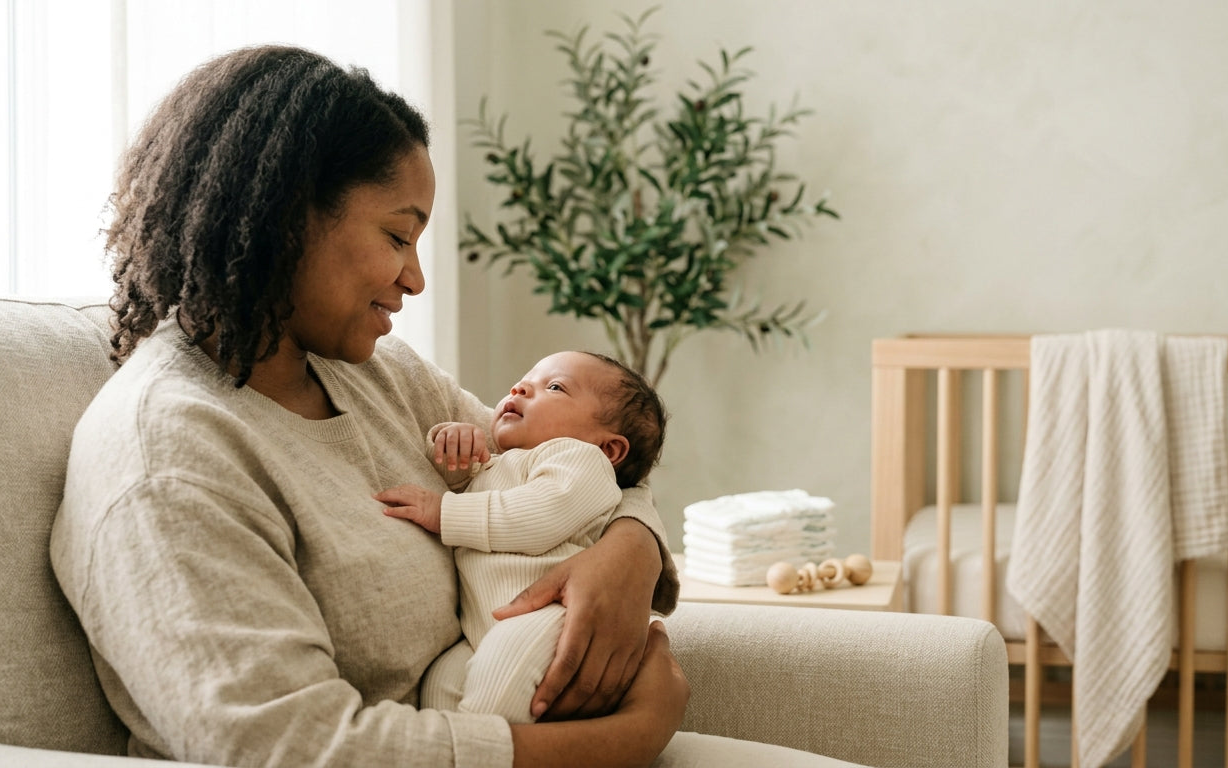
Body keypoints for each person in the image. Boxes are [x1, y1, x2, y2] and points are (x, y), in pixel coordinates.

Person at [48, 44, 866, 768]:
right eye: (397, 237)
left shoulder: (381, 376)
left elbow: (578, 457)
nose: (414, 279)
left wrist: (631, 549)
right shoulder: (168, 455)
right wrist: (624, 739)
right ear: (284, 217)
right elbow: (290, 748)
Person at [375, 350, 668, 724]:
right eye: (524, 379)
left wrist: (444, 511)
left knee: (496, 691)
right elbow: (467, 488)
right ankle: (454, 744)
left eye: (555, 387)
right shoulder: (500, 463)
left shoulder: (581, 460)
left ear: (608, 448)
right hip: (484, 628)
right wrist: (454, 451)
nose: (520, 388)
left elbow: (538, 517)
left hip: (550, 618)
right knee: (440, 685)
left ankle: (481, 746)